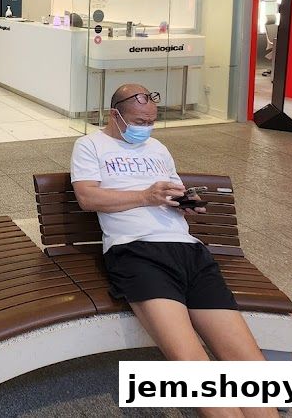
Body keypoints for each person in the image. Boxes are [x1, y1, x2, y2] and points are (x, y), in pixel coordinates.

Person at [71, 83, 278, 418]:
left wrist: (186, 202)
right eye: (138, 121)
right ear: (115, 115)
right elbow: (87, 198)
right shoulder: (90, 145)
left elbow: (173, 190)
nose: (145, 128)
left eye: (150, 121)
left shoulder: (158, 148)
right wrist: (145, 196)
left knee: (250, 366)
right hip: (136, 253)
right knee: (195, 365)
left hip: (189, 252)